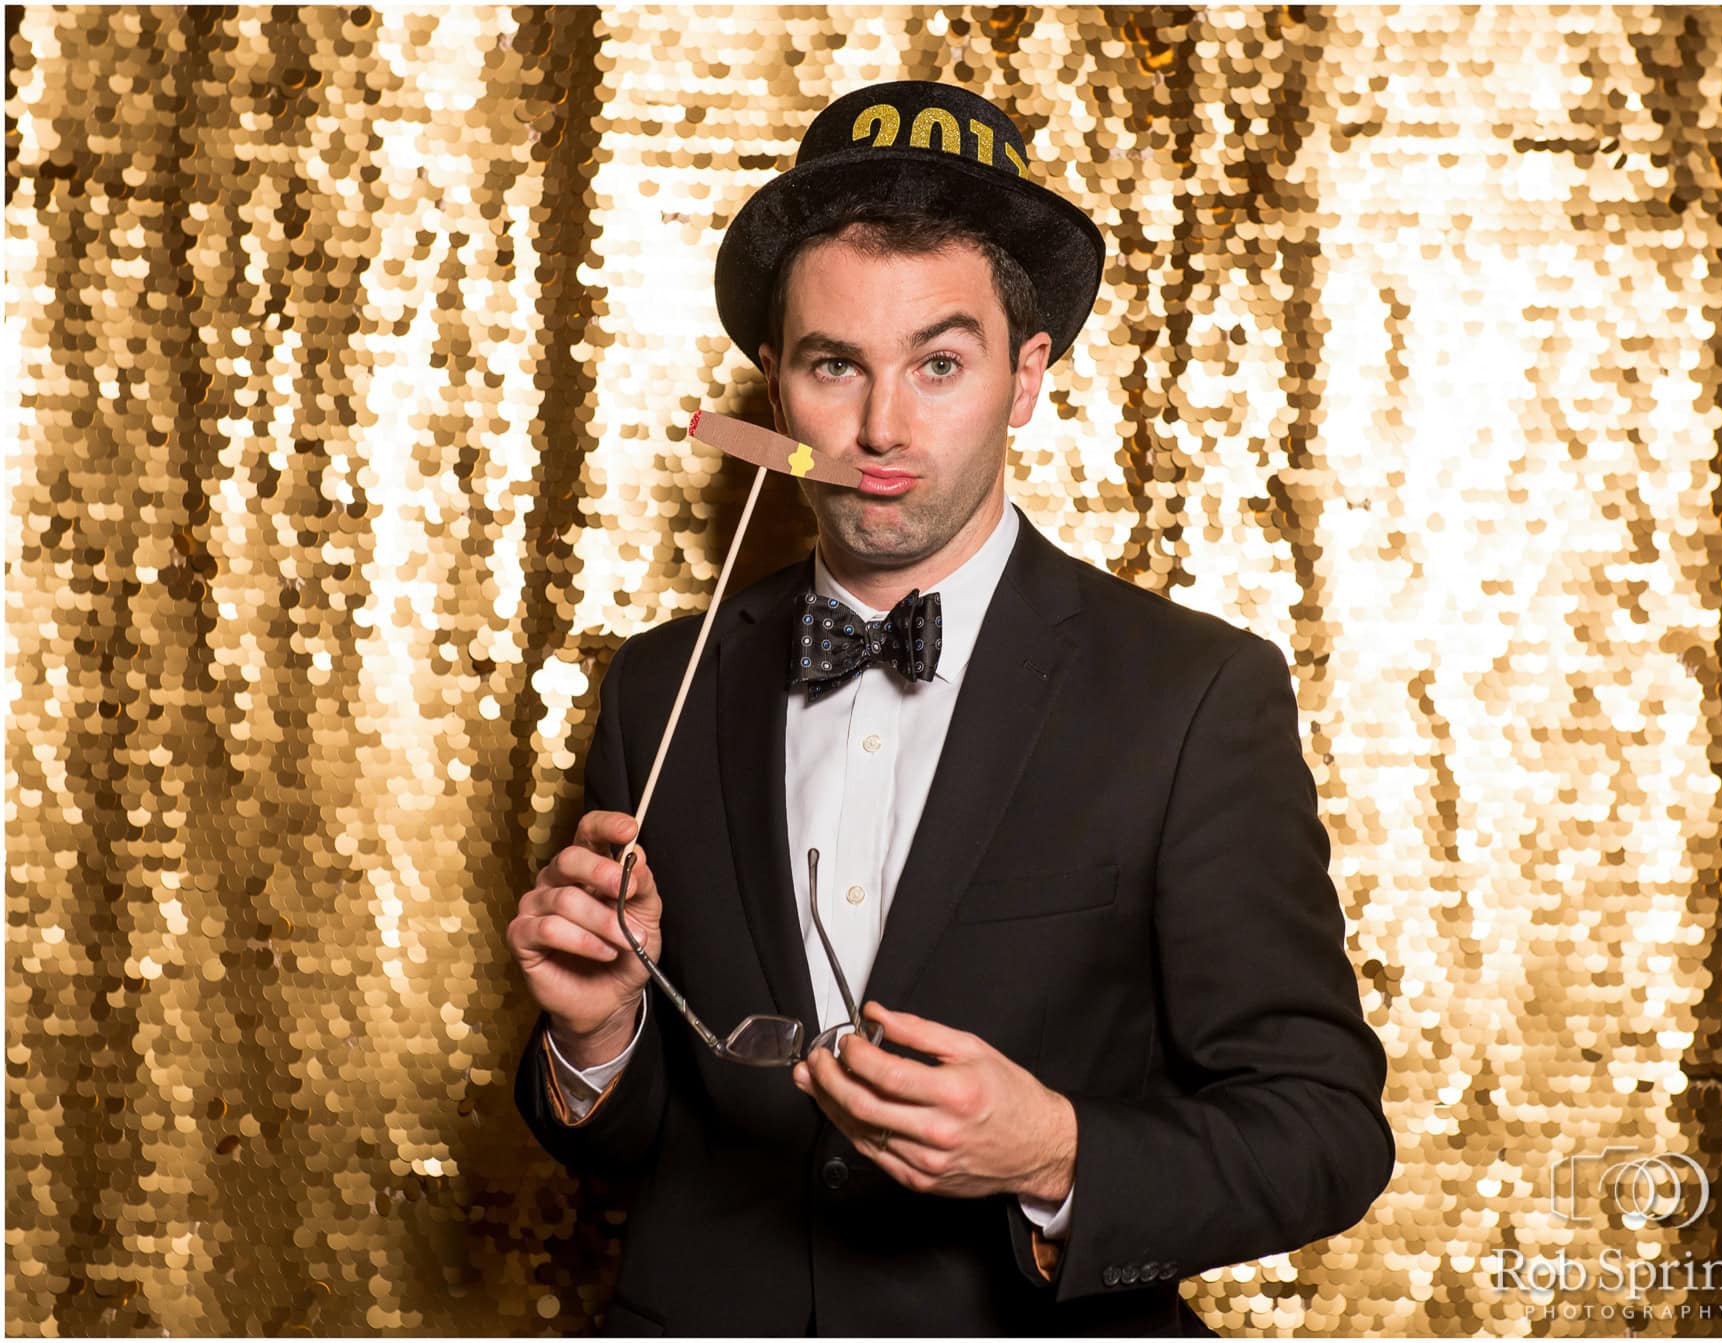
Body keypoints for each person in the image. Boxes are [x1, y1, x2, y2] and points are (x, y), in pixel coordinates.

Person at [507, 79, 1394, 1336]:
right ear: (774, 386)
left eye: (939, 363)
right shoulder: (660, 686)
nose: (880, 427)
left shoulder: (1194, 696)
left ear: (1025, 375)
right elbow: (636, 1142)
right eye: (834, 364)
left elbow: (1323, 1131)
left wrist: (1056, 1153)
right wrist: (599, 1036)